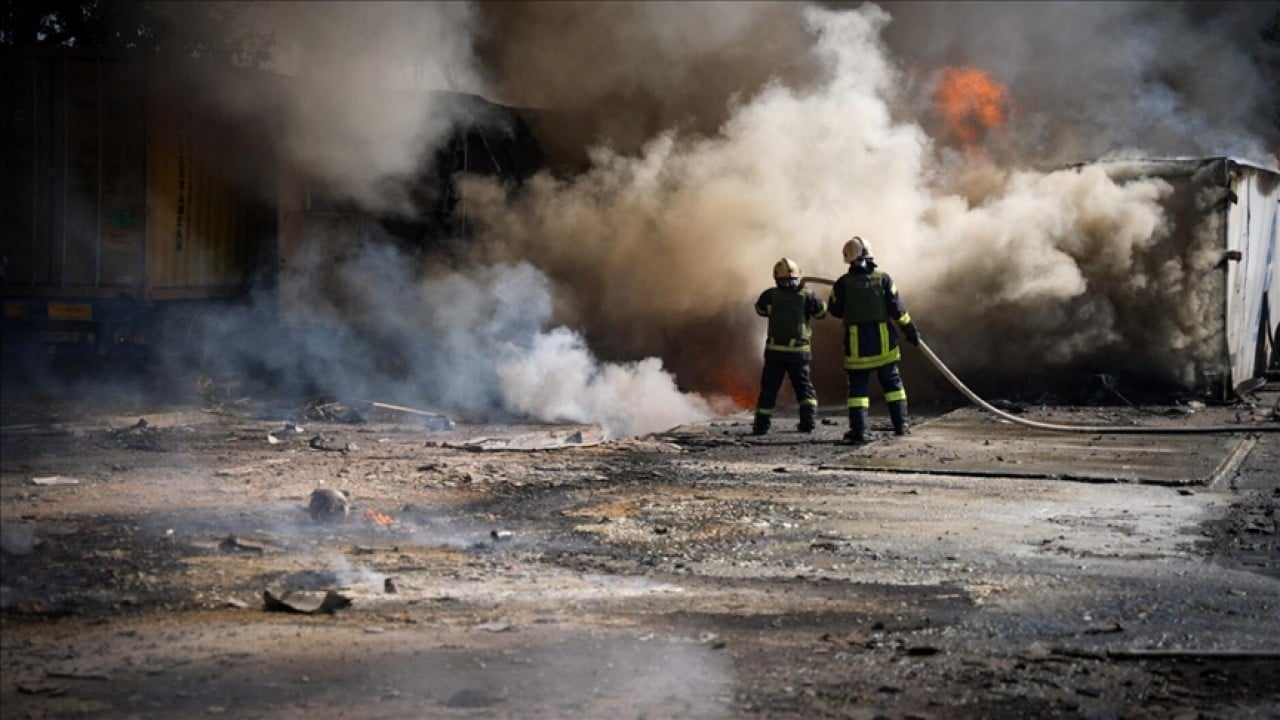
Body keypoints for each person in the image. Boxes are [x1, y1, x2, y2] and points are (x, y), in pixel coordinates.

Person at [826, 236, 921, 444]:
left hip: (857, 345)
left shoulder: (842, 284)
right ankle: (901, 426)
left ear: (848, 258)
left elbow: (835, 311)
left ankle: (858, 432)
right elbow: (899, 311)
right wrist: (910, 331)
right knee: (893, 386)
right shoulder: (884, 279)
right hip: (884, 343)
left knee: (858, 390)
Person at [752, 257, 827, 435]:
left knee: (769, 389)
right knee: (803, 388)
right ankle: (807, 423)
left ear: (776, 277)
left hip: (774, 352)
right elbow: (822, 313)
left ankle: (761, 427)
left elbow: (760, 310)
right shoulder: (807, 295)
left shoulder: (769, 295)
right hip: (798, 352)